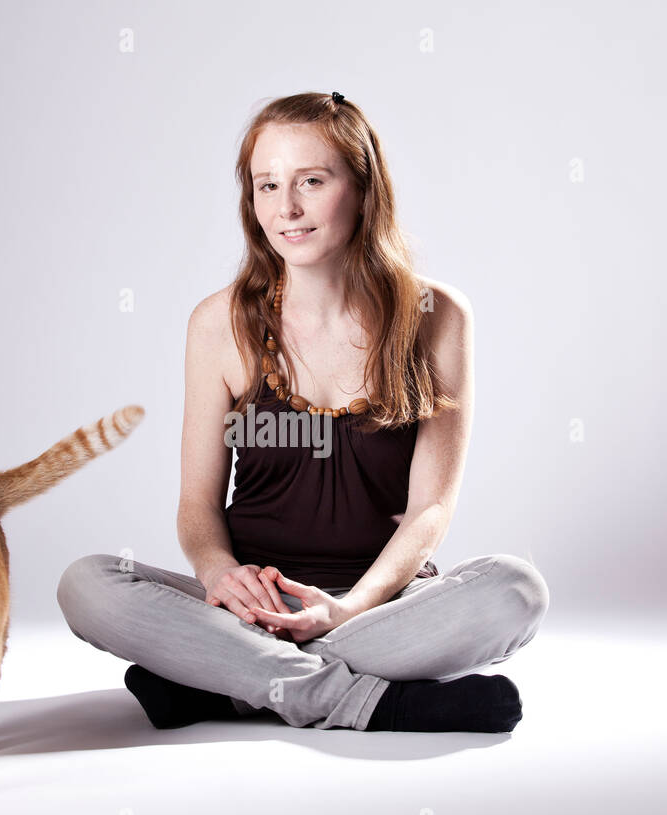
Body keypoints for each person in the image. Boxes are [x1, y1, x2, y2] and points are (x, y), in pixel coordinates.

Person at [57, 91, 549, 733]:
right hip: (247, 604)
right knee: (87, 584)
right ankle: (365, 702)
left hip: (382, 605)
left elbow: (431, 508)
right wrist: (220, 576)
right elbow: (197, 507)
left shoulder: (437, 317)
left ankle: (227, 685)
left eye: (311, 181)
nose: (285, 208)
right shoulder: (218, 324)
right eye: (267, 185)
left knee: (516, 590)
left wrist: (348, 611)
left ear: (363, 188)